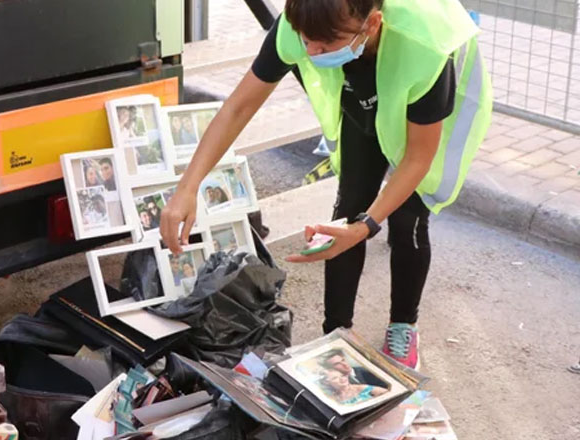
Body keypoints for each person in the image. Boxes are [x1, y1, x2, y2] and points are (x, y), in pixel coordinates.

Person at [160, 0, 492, 370]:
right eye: (306, 42)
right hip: (364, 93)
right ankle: (336, 335)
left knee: (408, 217)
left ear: (372, 24)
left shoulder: (426, 48)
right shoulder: (302, 22)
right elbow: (238, 107)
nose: (311, 54)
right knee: (346, 209)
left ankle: (403, 325)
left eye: (324, 46)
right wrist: (187, 187)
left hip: (425, 100)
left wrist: (367, 227)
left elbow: (416, 159)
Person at [318, 349, 387, 388]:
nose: (344, 364)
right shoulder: (334, 383)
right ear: (331, 368)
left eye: (343, 360)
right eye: (337, 364)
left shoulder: (366, 371)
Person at [320, 367, 387, 405]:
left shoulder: (362, 388)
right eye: (335, 378)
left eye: (342, 375)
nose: (342, 379)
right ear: (327, 383)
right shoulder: (333, 398)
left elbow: (389, 394)